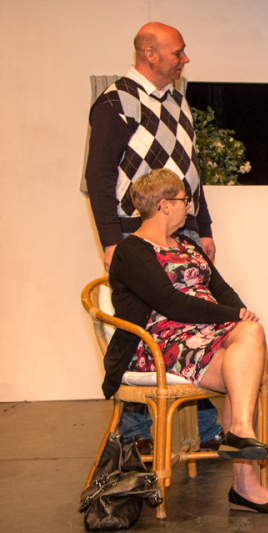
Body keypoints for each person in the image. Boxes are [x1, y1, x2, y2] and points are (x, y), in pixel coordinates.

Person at [105, 169, 268, 514]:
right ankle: (244, 482)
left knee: (251, 333)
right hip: (161, 343)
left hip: (204, 333)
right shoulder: (131, 251)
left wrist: (240, 314)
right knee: (244, 359)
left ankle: (239, 432)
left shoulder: (187, 244)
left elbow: (220, 288)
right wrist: (231, 316)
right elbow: (171, 303)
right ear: (164, 205)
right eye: (183, 200)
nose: (188, 207)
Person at [85, 22, 222, 454]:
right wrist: (111, 240)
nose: (185, 59)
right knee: (144, 321)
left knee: (194, 319)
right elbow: (99, 175)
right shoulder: (115, 101)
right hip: (136, 232)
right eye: (178, 52)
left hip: (183, 230)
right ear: (150, 54)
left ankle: (205, 426)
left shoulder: (178, 101)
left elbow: (191, 172)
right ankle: (136, 432)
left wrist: (203, 227)